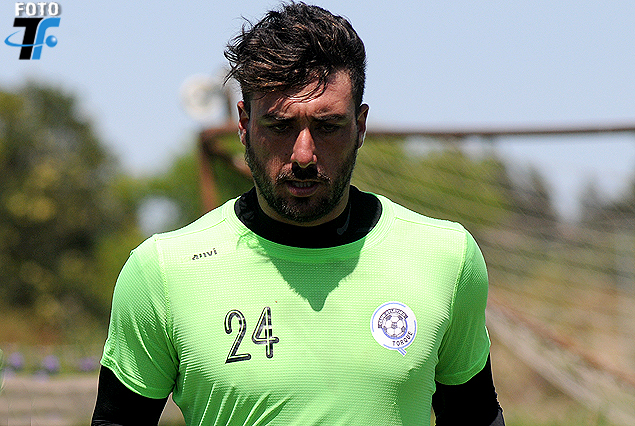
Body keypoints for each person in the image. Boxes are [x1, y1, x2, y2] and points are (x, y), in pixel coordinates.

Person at [92, 2, 505, 425]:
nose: (304, 155)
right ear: (244, 124)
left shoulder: (445, 257)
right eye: (280, 126)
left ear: (360, 126)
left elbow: (476, 417)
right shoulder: (163, 271)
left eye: (327, 127)